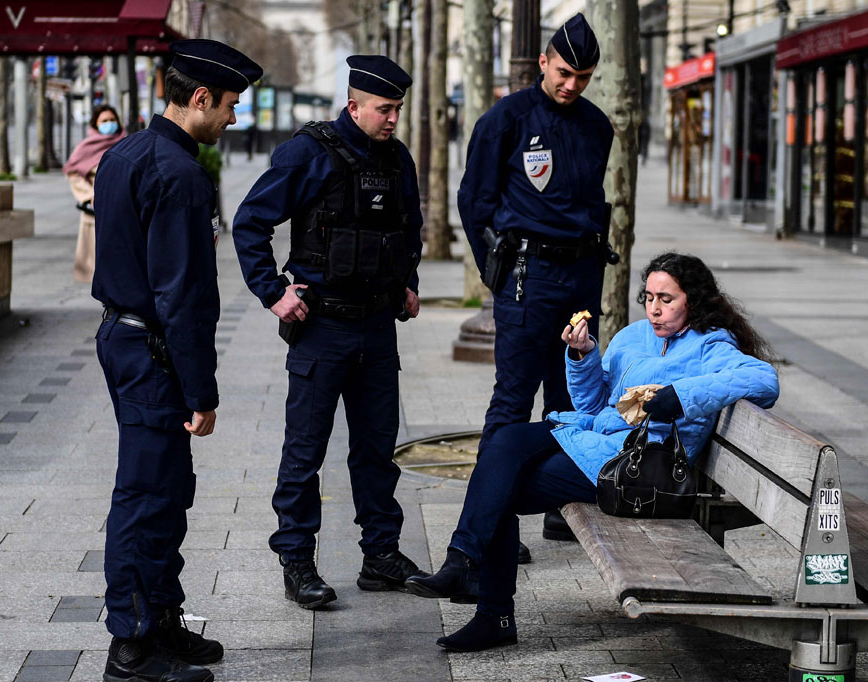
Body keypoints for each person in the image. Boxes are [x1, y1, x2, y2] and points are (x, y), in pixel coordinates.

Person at [405, 252, 780, 652]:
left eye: (667, 299)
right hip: (598, 441)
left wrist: (681, 395)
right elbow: (594, 403)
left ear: (695, 300)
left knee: (499, 488)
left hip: (638, 468)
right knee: (504, 443)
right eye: (649, 297)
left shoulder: (711, 344)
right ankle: (464, 566)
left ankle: (484, 603)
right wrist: (583, 355)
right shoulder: (634, 336)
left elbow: (764, 379)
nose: (654, 309)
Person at [92, 39, 262, 682]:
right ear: (200, 99)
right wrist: (201, 391)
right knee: (146, 495)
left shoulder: (125, 153)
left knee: (166, 489)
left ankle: (161, 620)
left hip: (123, 336)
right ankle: (132, 647)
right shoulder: (181, 176)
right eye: (229, 105)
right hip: (152, 349)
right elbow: (183, 296)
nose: (233, 118)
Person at [232, 55, 425, 610]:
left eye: (398, 109)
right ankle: (297, 561)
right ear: (353, 106)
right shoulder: (308, 152)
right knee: (305, 452)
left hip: (377, 327)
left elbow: (409, 228)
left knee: (377, 450)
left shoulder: (397, 159)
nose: (393, 119)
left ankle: (380, 554)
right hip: (321, 327)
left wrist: (408, 282)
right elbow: (250, 222)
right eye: (384, 109)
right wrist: (273, 292)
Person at [458, 13, 616, 554]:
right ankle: (490, 530)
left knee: (570, 398)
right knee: (512, 401)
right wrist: (497, 276)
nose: (571, 85)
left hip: (581, 278)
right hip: (528, 278)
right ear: (544, 61)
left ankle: (557, 508)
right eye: (564, 73)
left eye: (583, 77)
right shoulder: (506, 118)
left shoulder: (598, 126)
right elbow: (473, 201)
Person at [62, 104, 126, 283]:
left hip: (123, 209)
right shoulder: (86, 147)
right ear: (95, 124)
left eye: (112, 120)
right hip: (95, 211)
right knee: (96, 268)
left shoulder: (127, 143)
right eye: (104, 121)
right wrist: (90, 195)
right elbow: (73, 173)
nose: (109, 124)